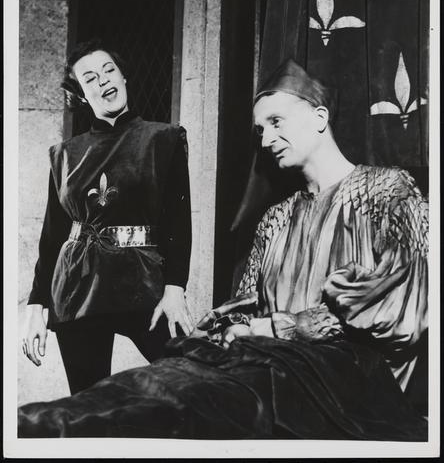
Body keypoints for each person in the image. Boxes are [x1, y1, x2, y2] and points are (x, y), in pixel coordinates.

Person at [18, 59, 428, 440]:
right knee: (145, 384)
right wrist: (220, 330)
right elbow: (245, 304)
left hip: (340, 380)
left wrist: (276, 327)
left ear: (320, 118)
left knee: (175, 401)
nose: (267, 139)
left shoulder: (389, 191)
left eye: (276, 122)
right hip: (259, 362)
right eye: (261, 130)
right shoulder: (277, 218)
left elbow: (401, 303)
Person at [21, 39, 193, 395]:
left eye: (109, 70)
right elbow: (53, 235)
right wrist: (36, 306)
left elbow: (178, 222)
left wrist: (175, 288)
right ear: (81, 95)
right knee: (88, 403)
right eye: (90, 78)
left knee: (189, 385)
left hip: (144, 280)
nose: (103, 80)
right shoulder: (64, 155)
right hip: (77, 287)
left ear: (123, 77)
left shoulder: (164, 139)